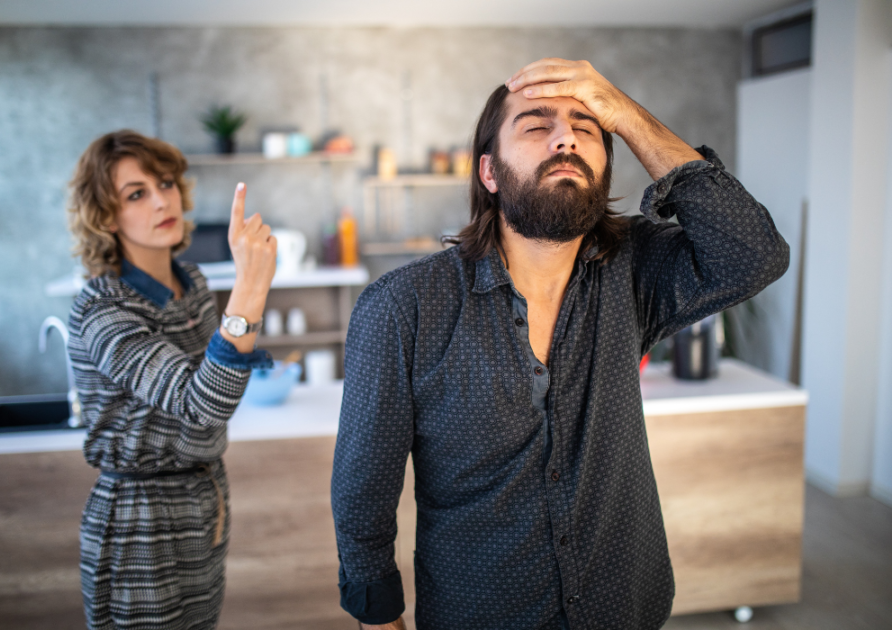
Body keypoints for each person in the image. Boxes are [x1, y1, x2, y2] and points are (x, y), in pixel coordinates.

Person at [331, 58, 789, 630]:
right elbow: (363, 489)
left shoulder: (635, 270)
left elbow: (755, 254)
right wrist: (379, 619)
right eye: (535, 124)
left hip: (625, 608)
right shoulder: (403, 308)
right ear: (490, 173)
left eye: (588, 126)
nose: (566, 135)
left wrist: (625, 112)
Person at [65, 130, 277, 630]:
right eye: (136, 193)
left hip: (206, 498)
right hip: (139, 516)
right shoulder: (102, 308)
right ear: (105, 214)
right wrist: (250, 287)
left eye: (165, 184)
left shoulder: (193, 283)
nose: (163, 200)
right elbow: (200, 402)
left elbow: (219, 388)